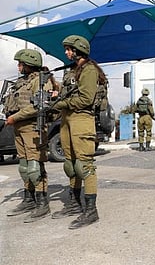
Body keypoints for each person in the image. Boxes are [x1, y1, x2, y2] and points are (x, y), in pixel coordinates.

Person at [50, 35, 107, 229]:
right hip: (67, 119)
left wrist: (60, 103)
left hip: (82, 119)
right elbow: (68, 95)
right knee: (71, 164)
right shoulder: (72, 71)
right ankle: (75, 204)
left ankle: (91, 210)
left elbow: (85, 99)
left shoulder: (89, 70)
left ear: (78, 49)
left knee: (85, 166)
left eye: (69, 49)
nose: (66, 52)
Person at [4, 49, 54, 222]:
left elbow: (39, 106)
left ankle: (42, 203)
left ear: (29, 64)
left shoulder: (41, 81)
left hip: (33, 128)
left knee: (34, 167)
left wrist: (14, 117)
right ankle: (29, 199)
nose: (18, 66)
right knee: (24, 167)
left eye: (20, 63)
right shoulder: (21, 82)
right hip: (18, 128)